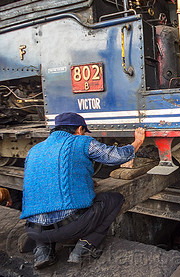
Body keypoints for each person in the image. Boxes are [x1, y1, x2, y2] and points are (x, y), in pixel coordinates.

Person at [21, 112, 145, 269]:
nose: (85, 134)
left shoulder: (34, 150)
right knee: (114, 199)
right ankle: (85, 247)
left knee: (43, 209)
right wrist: (137, 142)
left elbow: (47, 178)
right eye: (84, 131)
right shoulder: (81, 141)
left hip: (33, 231)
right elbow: (115, 157)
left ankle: (43, 251)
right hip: (71, 227)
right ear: (79, 129)